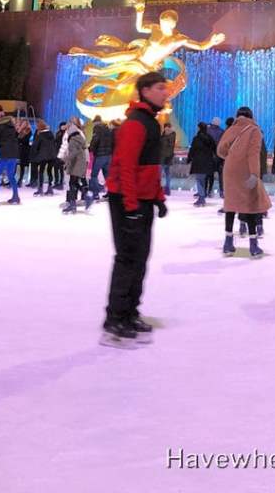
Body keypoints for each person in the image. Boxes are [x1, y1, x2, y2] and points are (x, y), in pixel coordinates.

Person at [102, 71, 169, 347]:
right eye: (160, 88)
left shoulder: (151, 122)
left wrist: (158, 198)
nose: (166, 93)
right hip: (126, 200)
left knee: (140, 258)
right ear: (145, 91)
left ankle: (130, 312)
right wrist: (130, 206)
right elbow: (125, 167)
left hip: (143, 200)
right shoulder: (135, 124)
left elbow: (150, 168)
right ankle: (115, 318)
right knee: (127, 258)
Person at [217, 106, 271, 256]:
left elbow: (220, 150)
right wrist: (254, 173)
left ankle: (228, 243)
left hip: (229, 169)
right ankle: (253, 246)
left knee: (230, 205)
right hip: (246, 170)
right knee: (250, 205)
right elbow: (253, 154)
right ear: (251, 116)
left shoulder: (231, 129)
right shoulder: (254, 130)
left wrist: (232, 157)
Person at [0, 109, 21, 205]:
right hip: (13, 153)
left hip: (5, 153)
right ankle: (16, 196)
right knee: (11, 175)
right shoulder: (12, 129)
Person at [187, 122, 216, 208]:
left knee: (199, 180)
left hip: (198, 162)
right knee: (202, 180)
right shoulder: (210, 138)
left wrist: (189, 158)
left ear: (199, 128)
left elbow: (192, 149)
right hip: (207, 162)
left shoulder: (197, 138)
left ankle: (201, 198)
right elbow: (214, 148)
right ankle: (202, 196)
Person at [63, 122, 89, 214]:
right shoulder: (79, 138)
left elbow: (73, 153)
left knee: (72, 184)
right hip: (80, 163)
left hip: (75, 164)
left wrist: (66, 161)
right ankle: (85, 196)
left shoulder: (73, 140)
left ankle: (73, 204)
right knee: (74, 183)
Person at [88, 115, 114, 203]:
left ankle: (95, 194)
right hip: (109, 155)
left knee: (94, 175)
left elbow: (95, 140)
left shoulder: (97, 128)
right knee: (107, 175)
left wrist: (90, 148)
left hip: (100, 155)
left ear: (96, 122)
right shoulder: (108, 128)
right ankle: (111, 193)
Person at [31, 119, 58, 196]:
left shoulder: (40, 135)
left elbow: (35, 146)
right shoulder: (51, 134)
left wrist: (34, 154)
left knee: (41, 171)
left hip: (43, 156)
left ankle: (40, 189)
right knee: (49, 171)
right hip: (52, 155)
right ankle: (50, 188)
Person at [206, 117, 224, 197]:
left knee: (210, 175)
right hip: (219, 156)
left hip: (209, 155)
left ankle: (209, 191)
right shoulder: (222, 131)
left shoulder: (207, 130)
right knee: (221, 175)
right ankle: (221, 192)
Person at [159, 122, 176, 196]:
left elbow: (166, 145)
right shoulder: (170, 134)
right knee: (167, 173)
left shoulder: (168, 135)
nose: (166, 129)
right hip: (167, 156)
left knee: (161, 173)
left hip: (164, 157)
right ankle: (167, 189)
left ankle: (164, 189)